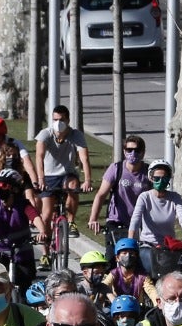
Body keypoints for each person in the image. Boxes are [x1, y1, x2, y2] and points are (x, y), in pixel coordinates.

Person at [32, 106, 91, 258]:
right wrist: (41, 178)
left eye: (62, 120)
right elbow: (39, 156)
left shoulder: (75, 135)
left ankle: (71, 222)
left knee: (73, 185)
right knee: (46, 214)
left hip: (67, 174)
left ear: (68, 120)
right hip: (48, 177)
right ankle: (45, 254)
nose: (58, 123)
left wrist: (87, 180)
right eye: (55, 119)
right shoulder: (45, 134)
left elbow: (84, 157)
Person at [87, 135, 148, 238]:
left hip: (141, 223)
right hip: (117, 221)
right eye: (129, 150)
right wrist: (93, 219)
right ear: (124, 152)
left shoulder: (148, 171)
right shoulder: (116, 169)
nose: (133, 153)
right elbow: (101, 195)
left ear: (143, 153)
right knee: (112, 253)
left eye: (137, 150)